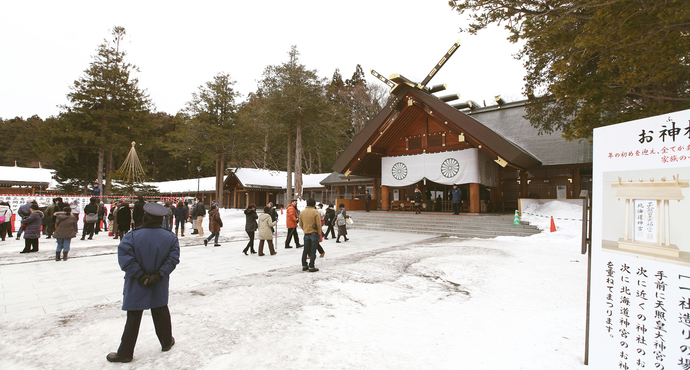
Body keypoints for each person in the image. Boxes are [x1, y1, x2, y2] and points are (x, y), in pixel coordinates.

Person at [107, 203, 180, 363]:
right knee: (160, 311)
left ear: (145, 217)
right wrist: (158, 275)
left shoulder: (132, 236)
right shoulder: (170, 237)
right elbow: (173, 259)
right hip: (159, 282)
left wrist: (140, 276)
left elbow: (125, 258)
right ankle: (166, 342)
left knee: (133, 316)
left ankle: (125, 352)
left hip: (136, 282)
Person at [299, 198, 321, 272]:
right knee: (313, 250)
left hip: (306, 233)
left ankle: (304, 265)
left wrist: (305, 229)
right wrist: (319, 232)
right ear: (314, 204)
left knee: (305, 250)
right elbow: (318, 223)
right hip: (314, 233)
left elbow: (300, 223)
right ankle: (311, 266)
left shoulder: (302, 212)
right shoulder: (315, 212)